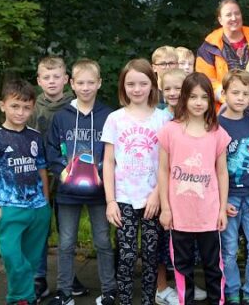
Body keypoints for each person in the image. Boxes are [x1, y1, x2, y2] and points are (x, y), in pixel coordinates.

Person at [101, 59, 173, 305]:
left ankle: (148, 300)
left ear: (153, 85)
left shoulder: (163, 119)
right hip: (124, 199)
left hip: (153, 198)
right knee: (128, 255)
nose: (137, 89)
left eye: (143, 83)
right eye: (131, 83)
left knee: (152, 255)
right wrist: (110, 201)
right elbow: (108, 162)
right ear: (123, 86)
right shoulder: (115, 119)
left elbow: (168, 163)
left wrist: (157, 195)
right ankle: (124, 300)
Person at [158, 73, 231, 305]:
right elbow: (163, 171)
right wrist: (166, 208)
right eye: (192, 97)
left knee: (212, 265)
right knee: (182, 266)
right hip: (179, 215)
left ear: (211, 100)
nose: (198, 102)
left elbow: (221, 173)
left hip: (208, 214)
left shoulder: (217, 133)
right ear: (183, 99)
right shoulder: (170, 130)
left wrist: (221, 209)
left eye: (204, 97)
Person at [46, 59, 116, 305]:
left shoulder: (109, 115)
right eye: (81, 83)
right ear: (72, 84)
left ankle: (109, 291)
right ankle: (64, 292)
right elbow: (51, 150)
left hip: (99, 192)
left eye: (91, 82)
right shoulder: (61, 117)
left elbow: (115, 152)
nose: (86, 87)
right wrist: (62, 173)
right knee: (65, 243)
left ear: (99, 83)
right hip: (68, 193)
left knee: (103, 242)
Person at [0, 79, 52, 305]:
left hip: (37, 209)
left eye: (26, 107)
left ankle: (25, 299)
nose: (21, 112)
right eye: (15, 106)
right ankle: (18, 297)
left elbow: (42, 170)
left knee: (31, 258)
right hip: (9, 208)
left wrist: (46, 203)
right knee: (12, 256)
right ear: (3, 106)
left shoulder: (35, 137)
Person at [28, 55, 75, 300]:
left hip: (67, 176)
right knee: (40, 229)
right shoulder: (32, 108)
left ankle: (69, 275)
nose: (52, 81)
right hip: (39, 178)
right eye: (46, 77)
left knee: (67, 229)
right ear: (39, 80)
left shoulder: (75, 105)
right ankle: (38, 277)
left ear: (67, 79)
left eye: (57, 76)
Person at [218, 70, 249, 305]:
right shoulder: (215, 125)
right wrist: (220, 201)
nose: (240, 98)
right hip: (228, 200)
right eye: (235, 92)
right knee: (228, 251)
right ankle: (232, 291)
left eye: (245, 94)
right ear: (224, 93)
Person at [197, 0, 249, 105]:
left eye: (237, 13)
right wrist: (226, 97)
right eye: (228, 15)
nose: (234, 18)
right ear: (220, 20)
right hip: (225, 108)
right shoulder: (208, 47)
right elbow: (205, 81)